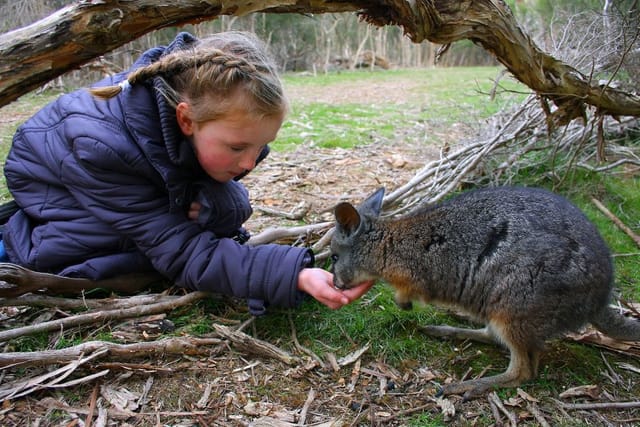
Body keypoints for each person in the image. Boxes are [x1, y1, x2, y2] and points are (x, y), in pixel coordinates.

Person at [1, 31, 373, 314]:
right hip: (57, 187)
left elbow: (211, 204)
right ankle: (10, 243)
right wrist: (291, 274)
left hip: (124, 182)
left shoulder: (217, 130)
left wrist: (227, 203)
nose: (249, 162)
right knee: (117, 262)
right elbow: (181, 252)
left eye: (261, 147)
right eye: (238, 148)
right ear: (185, 119)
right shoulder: (101, 147)